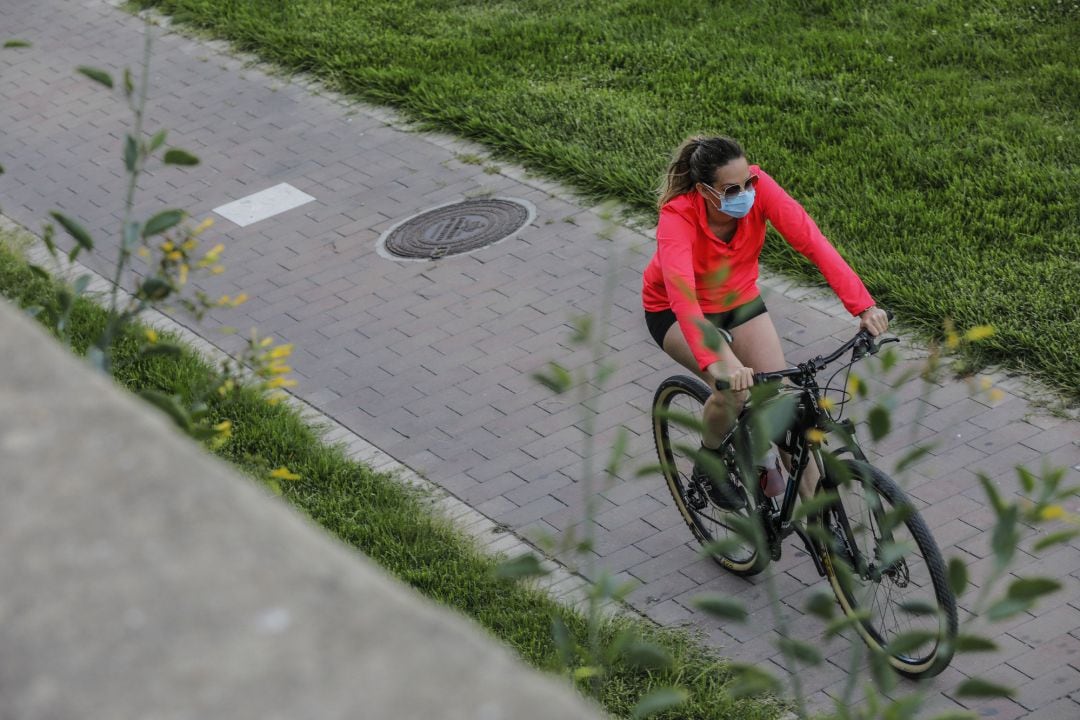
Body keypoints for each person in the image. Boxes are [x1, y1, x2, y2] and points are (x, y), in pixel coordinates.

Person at [642, 135, 889, 508]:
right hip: (675, 311)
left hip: (737, 300)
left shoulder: (760, 187)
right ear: (704, 191)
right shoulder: (677, 217)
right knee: (735, 391)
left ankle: (825, 529)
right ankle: (709, 464)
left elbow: (812, 242)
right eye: (731, 189)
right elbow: (684, 299)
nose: (745, 192)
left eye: (748, 183)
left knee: (786, 406)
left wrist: (863, 306)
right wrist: (720, 363)